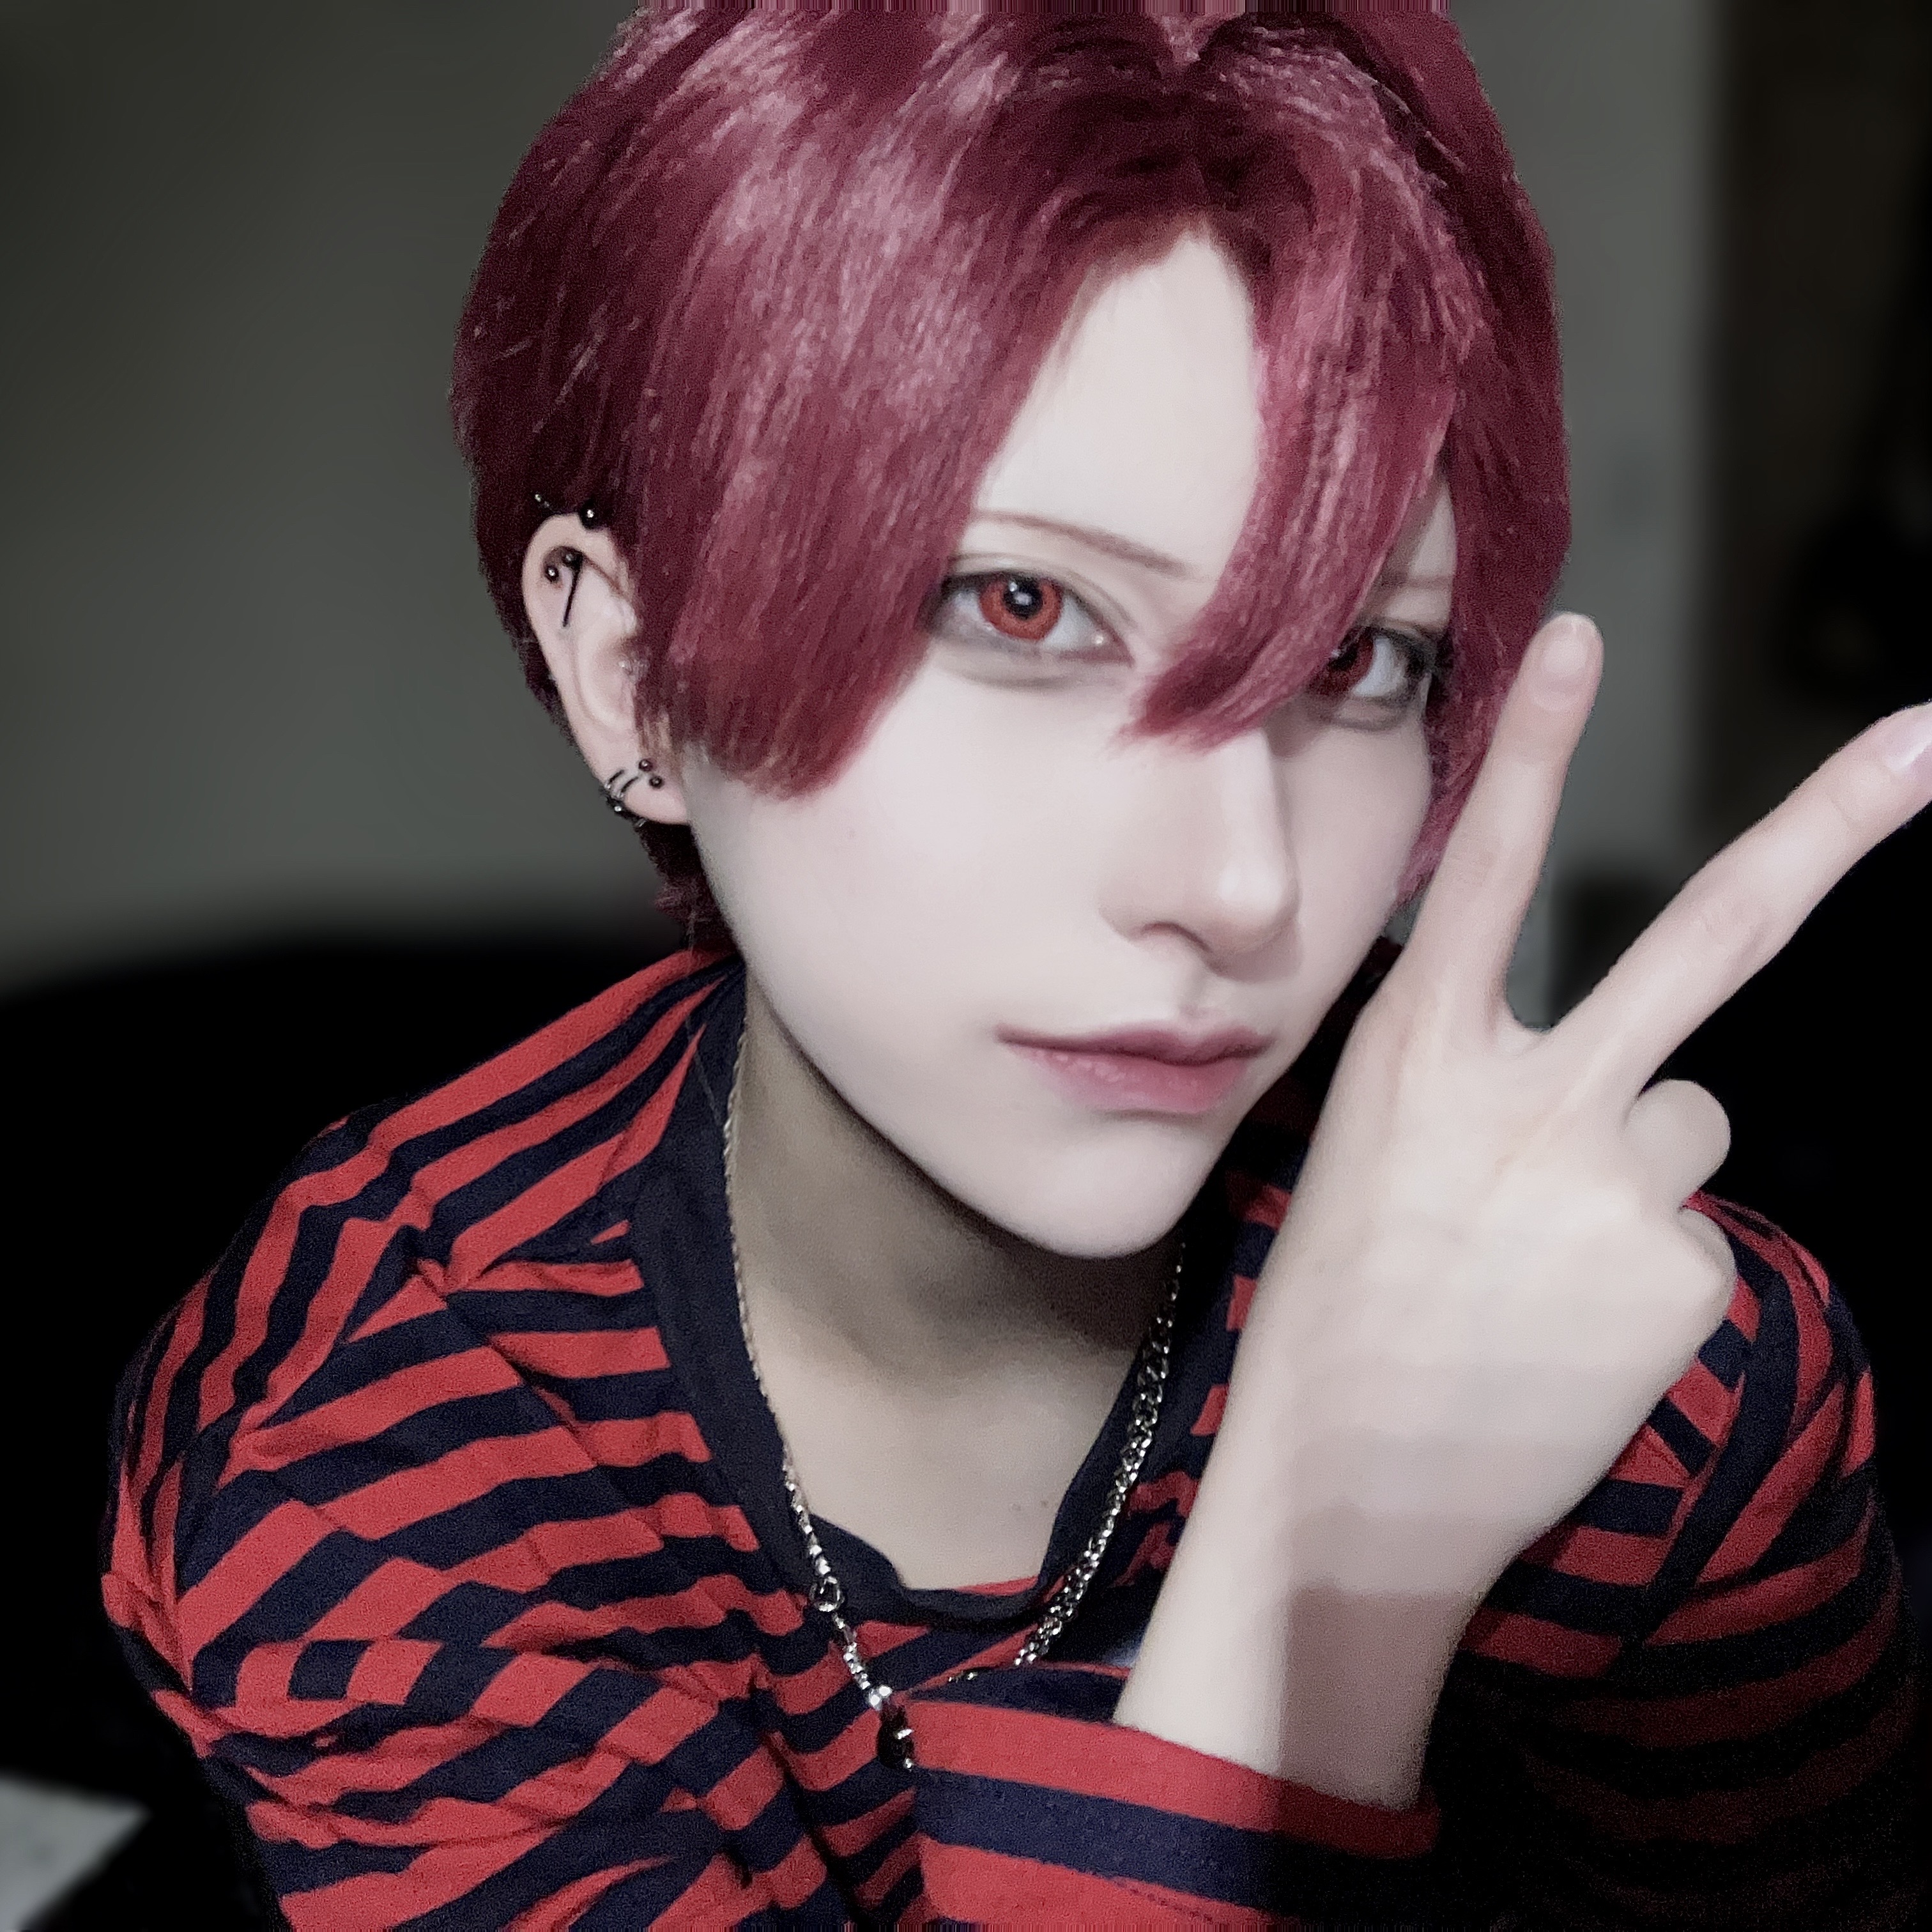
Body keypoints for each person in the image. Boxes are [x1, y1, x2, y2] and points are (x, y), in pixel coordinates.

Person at [102, 7, 1928, 1926]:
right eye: (1024, 605)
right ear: (631, 676)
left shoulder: (1638, 1362)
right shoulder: (379, 1429)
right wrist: (1320, 1589)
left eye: (1354, 660)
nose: (1242, 884)